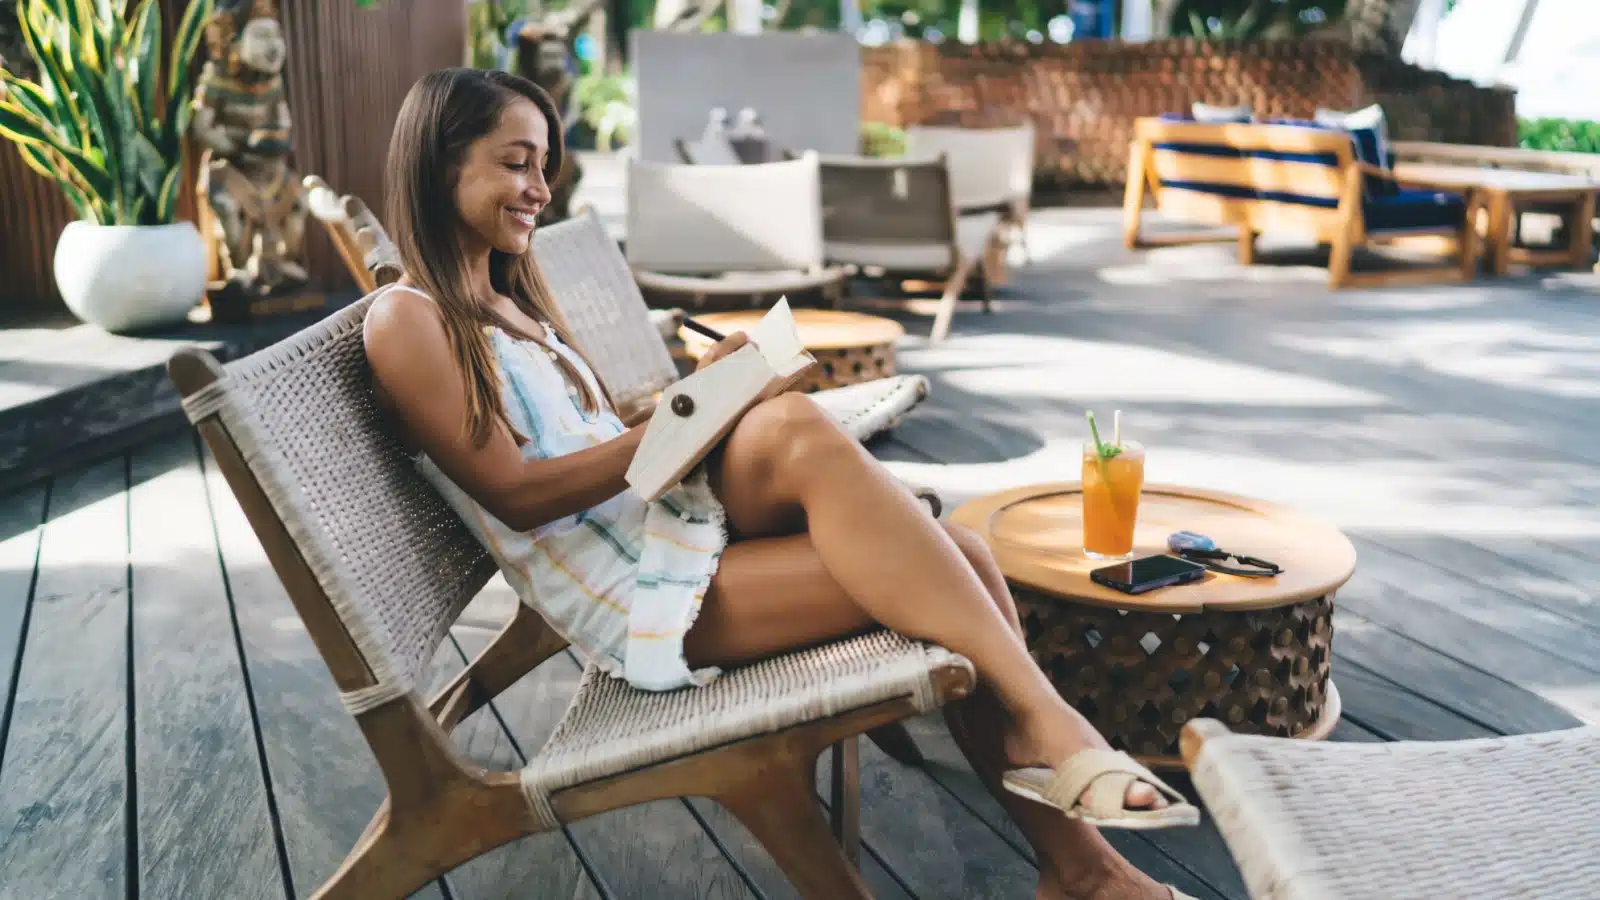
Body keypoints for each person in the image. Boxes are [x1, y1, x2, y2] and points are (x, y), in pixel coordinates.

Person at [363, 67, 1200, 900]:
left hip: (659, 535)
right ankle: (1063, 761)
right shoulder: (408, 319)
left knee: (927, 526)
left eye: (544, 164)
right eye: (516, 163)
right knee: (932, 545)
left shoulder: (510, 299)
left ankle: (1085, 868)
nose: (539, 187)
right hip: (635, 600)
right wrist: (680, 421)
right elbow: (514, 492)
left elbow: (599, 441)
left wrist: (702, 396)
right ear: (442, 166)